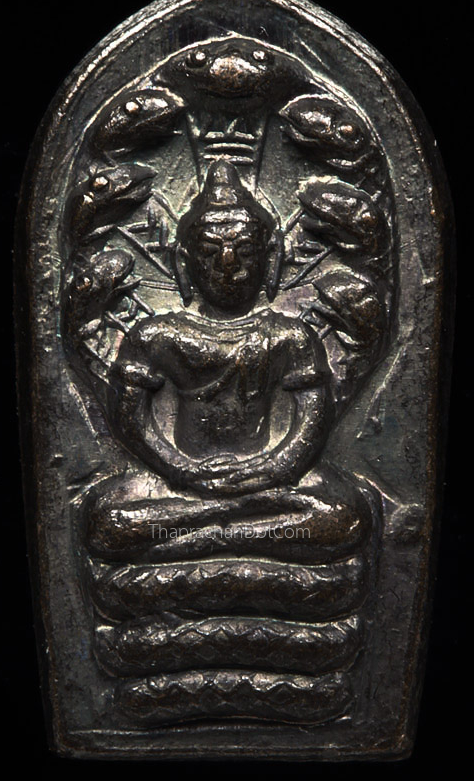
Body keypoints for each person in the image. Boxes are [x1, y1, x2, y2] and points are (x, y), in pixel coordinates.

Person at [86, 162, 373, 564]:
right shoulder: (155, 336)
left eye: (245, 250)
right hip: (181, 485)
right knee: (106, 520)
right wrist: (183, 471)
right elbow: (130, 423)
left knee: (347, 515)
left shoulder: (291, 337)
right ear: (183, 261)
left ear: (271, 257)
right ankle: (232, 531)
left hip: (265, 485)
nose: (227, 262)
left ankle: (205, 535)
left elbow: (310, 429)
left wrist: (268, 472)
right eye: (209, 251)